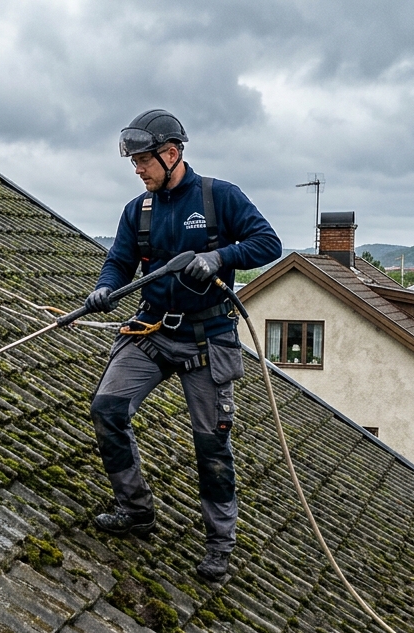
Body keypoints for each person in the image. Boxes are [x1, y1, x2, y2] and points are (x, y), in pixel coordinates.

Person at [85, 109, 281, 580]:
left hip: (207, 340)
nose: (138, 170)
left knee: (211, 446)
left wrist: (219, 257)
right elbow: (118, 263)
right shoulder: (139, 211)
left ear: (171, 154)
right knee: (107, 409)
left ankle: (220, 544)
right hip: (151, 333)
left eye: (143, 161)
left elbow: (267, 244)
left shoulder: (219, 198)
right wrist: (105, 288)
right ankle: (135, 510)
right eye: (133, 162)